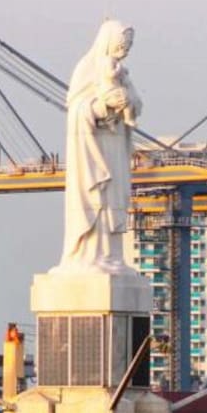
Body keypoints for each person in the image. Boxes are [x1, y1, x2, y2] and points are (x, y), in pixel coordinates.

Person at [59, 20, 142, 272]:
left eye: (128, 46)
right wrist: (103, 106)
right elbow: (76, 110)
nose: (125, 50)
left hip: (115, 147)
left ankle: (111, 256)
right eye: (121, 44)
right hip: (93, 150)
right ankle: (87, 257)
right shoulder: (86, 68)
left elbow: (136, 105)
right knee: (95, 199)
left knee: (113, 201)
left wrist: (127, 101)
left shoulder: (122, 72)